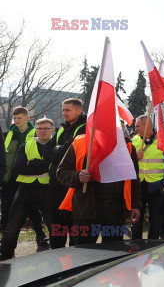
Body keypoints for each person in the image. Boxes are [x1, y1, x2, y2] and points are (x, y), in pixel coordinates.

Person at [56, 131, 141, 245]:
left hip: (115, 211)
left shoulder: (127, 145)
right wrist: (77, 176)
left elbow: (134, 179)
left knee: (114, 252)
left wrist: (135, 205)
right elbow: (61, 172)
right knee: (82, 253)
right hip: (86, 210)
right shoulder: (80, 142)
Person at [0, 118, 55, 260]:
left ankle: (58, 253)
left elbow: (55, 168)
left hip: (47, 189)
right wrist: (44, 167)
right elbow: (18, 167)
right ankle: (5, 254)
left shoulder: (57, 146)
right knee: (13, 225)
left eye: (46, 128)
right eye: (39, 128)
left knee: (53, 225)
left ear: (52, 130)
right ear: (35, 129)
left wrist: (33, 165)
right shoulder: (26, 145)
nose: (42, 130)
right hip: (25, 189)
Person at [45, 98, 87, 249]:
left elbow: (65, 153)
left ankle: (74, 264)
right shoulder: (62, 129)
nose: (64, 113)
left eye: (67, 110)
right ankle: (56, 258)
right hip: (56, 184)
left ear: (78, 110)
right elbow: (46, 151)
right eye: (63, 110)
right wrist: (58, 150)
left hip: (72, 186)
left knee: (73, 228)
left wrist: (57, 150)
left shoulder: (85, 129)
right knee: (56, 227)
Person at [131, 115, 164, 240]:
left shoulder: (163, 141)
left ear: (147, 125)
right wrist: (134, 158)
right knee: (136, 220)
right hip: (138, 187)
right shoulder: (133, 141)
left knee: (155, 219)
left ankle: (152, 244)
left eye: (138, 126)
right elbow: (127, 165)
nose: (136, 128)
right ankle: (135, 244)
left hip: (156, 187)